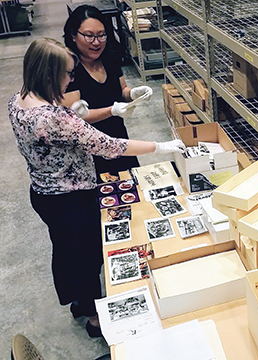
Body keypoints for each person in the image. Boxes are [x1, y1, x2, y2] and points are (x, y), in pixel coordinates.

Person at [8, 37, 184, 338]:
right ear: (49, 75)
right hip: (71, 198)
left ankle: (78, 303)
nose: (70, 78)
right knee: (86, 256)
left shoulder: (18, 100)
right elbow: (109, 145)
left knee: (65, 250)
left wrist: (78, 112)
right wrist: (160, 145)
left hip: (43, 193)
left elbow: (48, 135)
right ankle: (93, 318)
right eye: (67, 73)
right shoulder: (54, 118)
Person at [63, 4, 153, 181]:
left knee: (131, 187)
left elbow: (122, 91)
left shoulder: (109, 57)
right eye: (89, 36)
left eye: (101, 35)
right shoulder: (68, 68)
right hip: (89, 147)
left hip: (118, 139)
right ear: (74, 35)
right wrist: (111, 110)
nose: (96, 42)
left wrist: (133, 93)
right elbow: (73, 117)